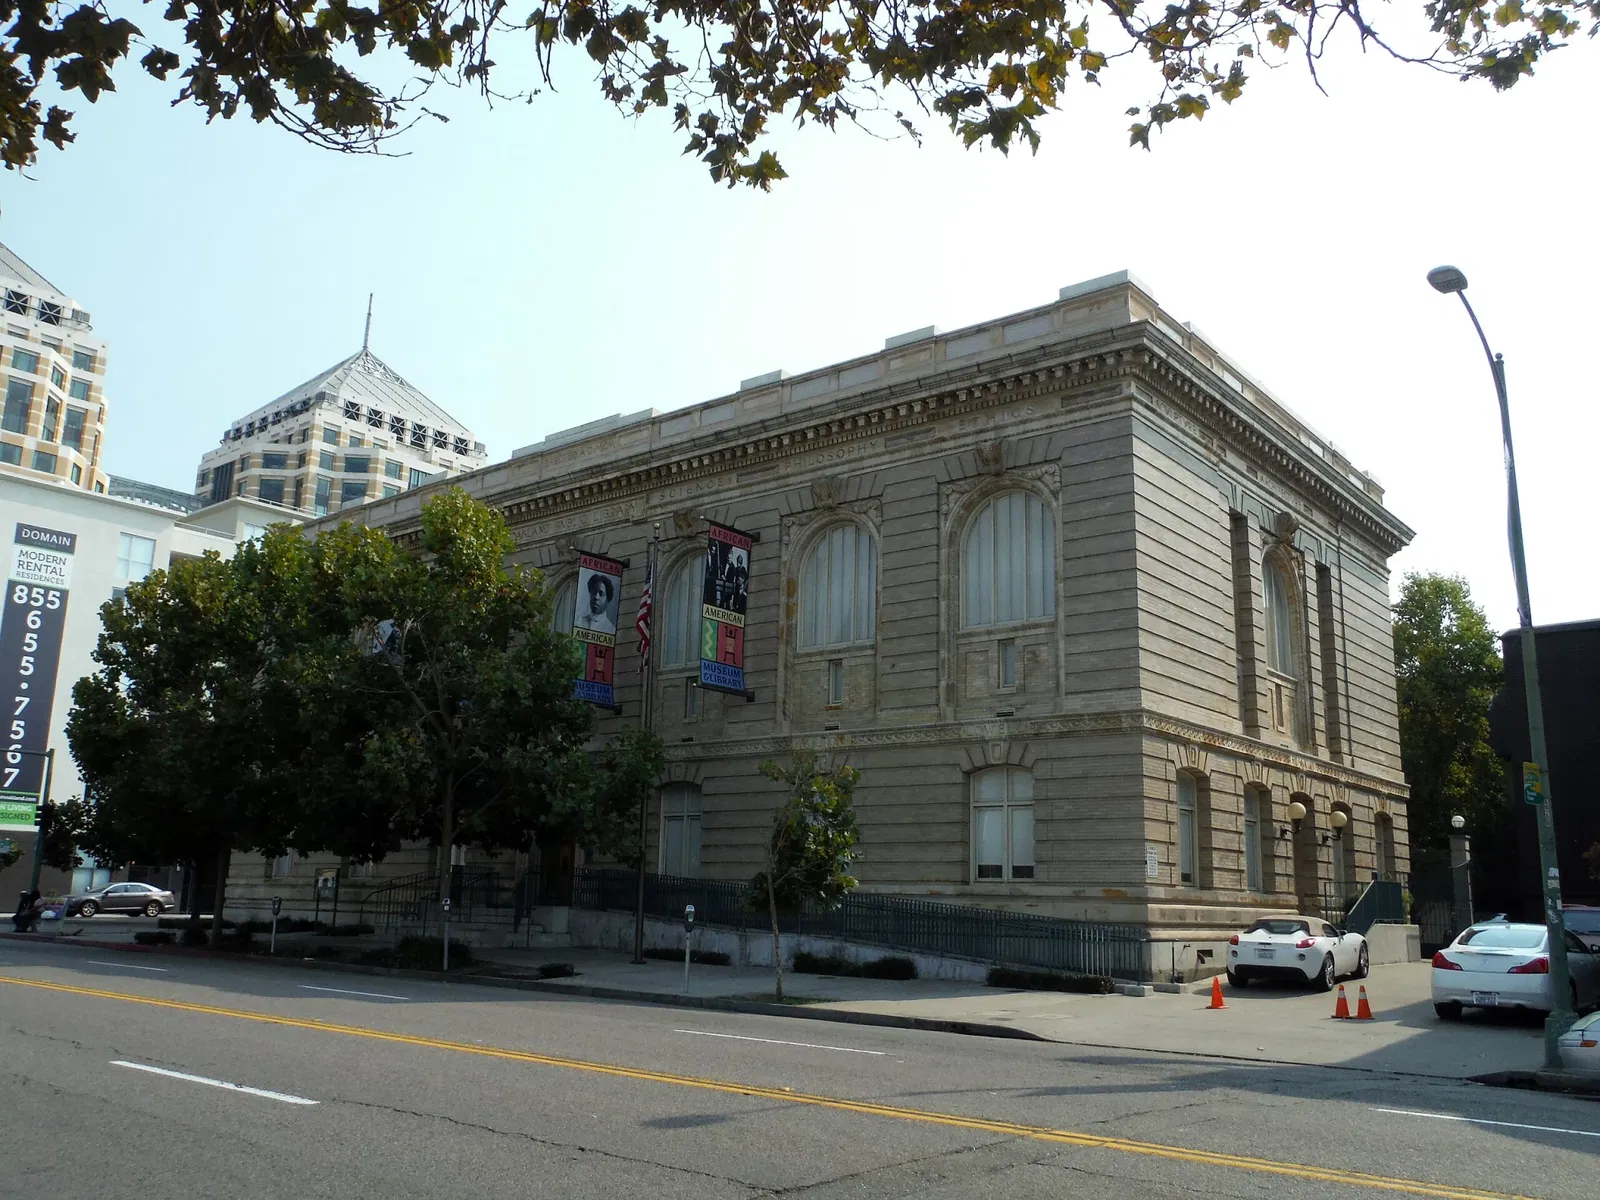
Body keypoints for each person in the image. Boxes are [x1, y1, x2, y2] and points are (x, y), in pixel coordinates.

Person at [575, 570, 618, 636]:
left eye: (601, 594)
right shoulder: (579, 622)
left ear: (608, 599)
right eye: (594, 592)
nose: (596, 597)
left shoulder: (610, 629)